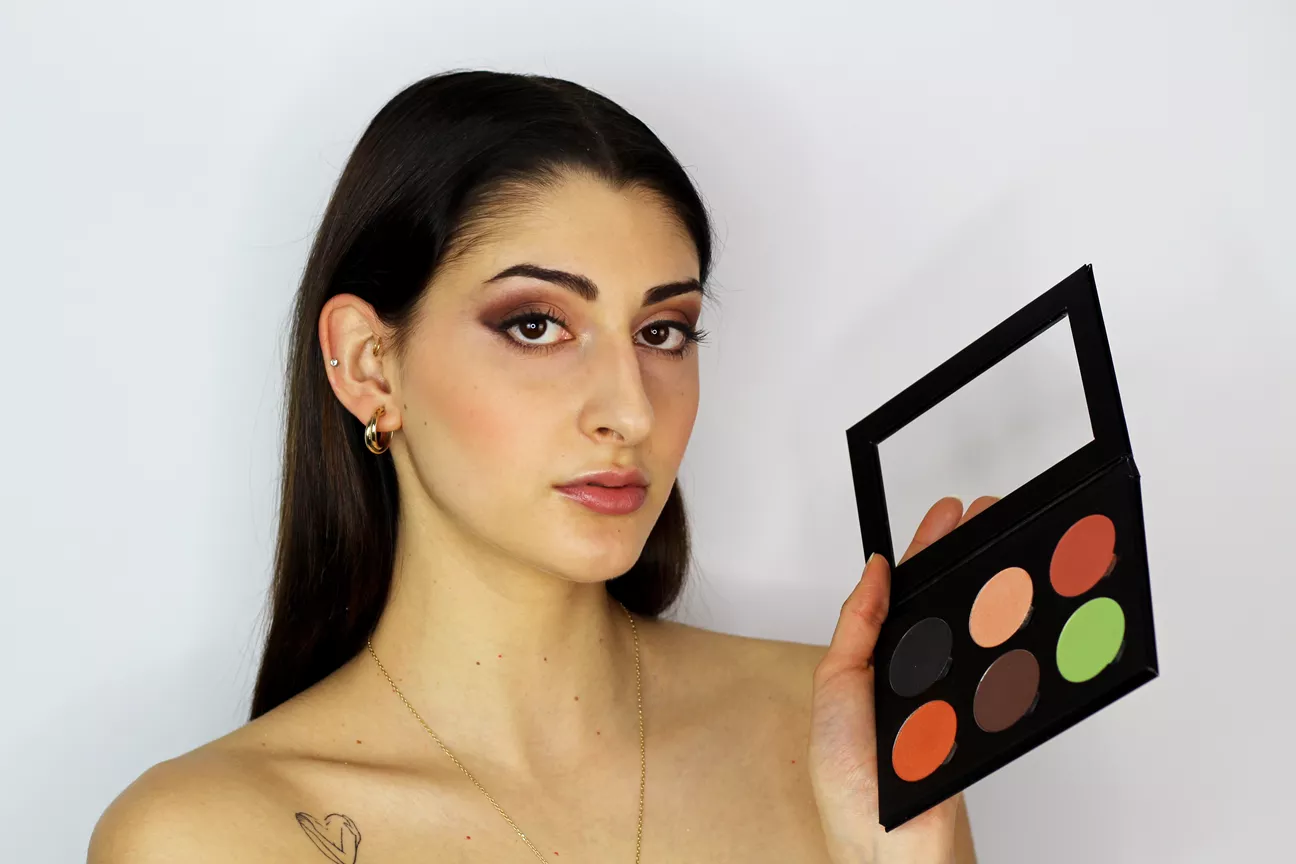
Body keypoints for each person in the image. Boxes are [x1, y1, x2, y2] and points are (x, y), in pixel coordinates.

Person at [88, 69, 979, 863]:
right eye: (536, 325)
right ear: (369, 365)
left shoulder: (838, 730)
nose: (631, 411)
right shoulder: (206, 838)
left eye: (662, 332)